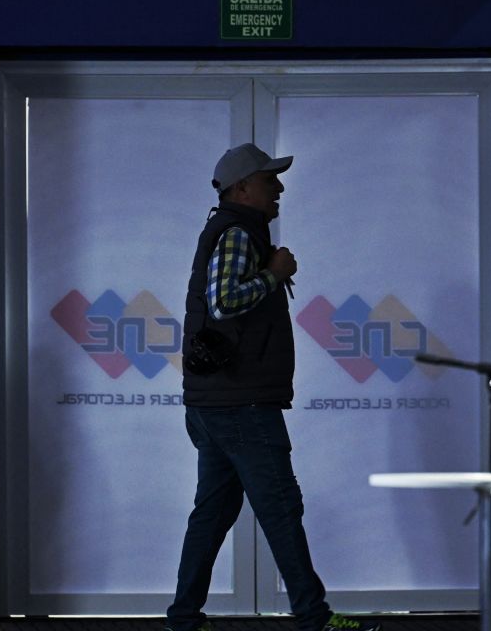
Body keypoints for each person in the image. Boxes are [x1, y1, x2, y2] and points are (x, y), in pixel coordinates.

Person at [166, 143, 380, 631]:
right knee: (280, 506)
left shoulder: (229, 229)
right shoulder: (239, 232)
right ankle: (313, 618)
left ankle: (183, 620)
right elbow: (223, 302)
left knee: (214, 511)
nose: (278, 187)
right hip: (241, 402)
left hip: (215, 400)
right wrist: (274, 273)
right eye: (268, 180)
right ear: (242, 188)